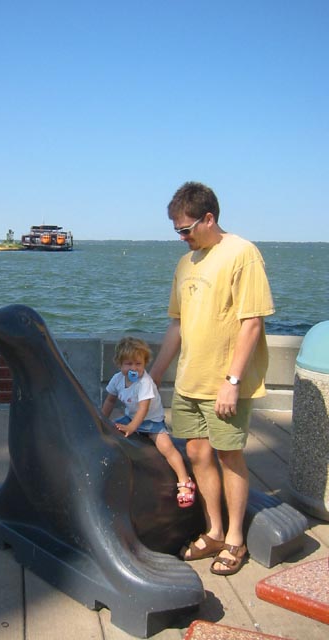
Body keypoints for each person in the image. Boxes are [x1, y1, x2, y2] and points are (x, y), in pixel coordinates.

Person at [150, 181, 275, 576]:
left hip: (225, 384)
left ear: (209, 218)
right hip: (189, 383)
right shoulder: (185, 264)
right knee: (198, 454)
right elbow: (177, 325)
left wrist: (232, 382)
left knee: (229, 456)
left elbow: (252, 322)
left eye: (186, 229)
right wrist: (153, 376)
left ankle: (236, 539)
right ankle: (215, 531)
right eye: (176, 231)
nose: (182, 237)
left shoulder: (242, 253)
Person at [102, 336, 196, 507]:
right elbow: (110, 400)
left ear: (145, 364)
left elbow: (143, 409)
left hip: (151, 421)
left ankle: (184, 481)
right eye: (129, 364)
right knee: (110, 430)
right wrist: (102, 419)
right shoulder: (117, 379)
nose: (134, 368)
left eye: (138, 364)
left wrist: (131, 427)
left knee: (167, 448)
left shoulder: (145, 382)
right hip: (131, 417)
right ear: (119, 364)